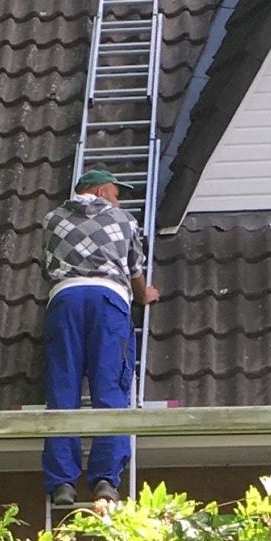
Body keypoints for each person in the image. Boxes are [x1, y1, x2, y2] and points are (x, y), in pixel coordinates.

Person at [41, 167, 160, 506]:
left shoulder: (51, 219)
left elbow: (46, 268)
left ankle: (63, 483)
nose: (118, 198)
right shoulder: (123, 221)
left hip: (64, 301)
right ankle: (106, 480)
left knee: (63, 390)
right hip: (108, 300)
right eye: (116, 191)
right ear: (100, 191)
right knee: (110, 388)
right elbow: (134, 269)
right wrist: (145, 295)